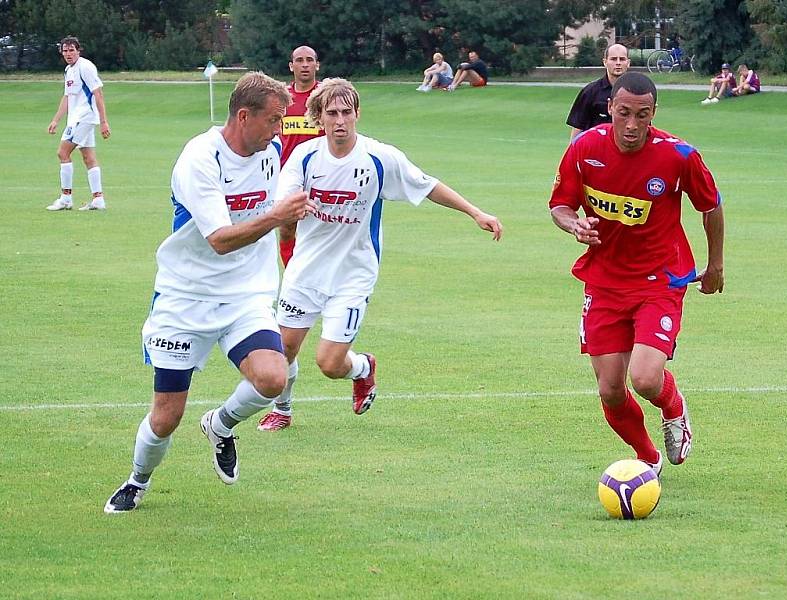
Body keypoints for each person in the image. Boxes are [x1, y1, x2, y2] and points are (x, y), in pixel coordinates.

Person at [103, 72, 316, 513]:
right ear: (244, 115)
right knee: (166, 417)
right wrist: (278, 216)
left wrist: (291, 223)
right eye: (274, 121)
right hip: (186, 296)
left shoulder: (271, 152)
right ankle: (137, 481)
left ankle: (220, 425)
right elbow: (220, 239)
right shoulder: (199, 159)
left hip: (245, 294)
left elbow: (275, 214)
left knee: (273, 376)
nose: (280, 131)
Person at [256, 78, 503, 431]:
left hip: (353, 274)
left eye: (346, 112)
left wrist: (476, 212)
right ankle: (283, 409)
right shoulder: (304, 157)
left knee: (329, 364)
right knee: (284, 351)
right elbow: (284, 202)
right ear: (320, 118)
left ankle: (363, 368)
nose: (339, 120)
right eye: (331, 113)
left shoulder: (379, 158)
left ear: (357, 114)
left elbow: (428, 185)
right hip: (306, 268)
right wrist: (290, 210)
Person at [549, 72, 725, 476]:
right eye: (624, 113)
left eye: (641, 115)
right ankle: (648, 459)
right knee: (611, 390)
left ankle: (674, 407)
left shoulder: (678, 155)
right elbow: (559, 204)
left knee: (645, 379)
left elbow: (710, 205)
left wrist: (715, 265)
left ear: (653, 114)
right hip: (604, 281)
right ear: (609, 108)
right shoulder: (583, 148)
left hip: (659, 280)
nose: (631, 125)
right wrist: (573, 224)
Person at [46, 36, 110, 211]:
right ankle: (98, 199)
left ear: (78, 50)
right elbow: (67, 97)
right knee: (89, 158)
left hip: (85, 118)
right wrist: (56, 120)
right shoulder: (68, 70)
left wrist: (103, 121)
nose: (68, 54)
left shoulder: (86, 67)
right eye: (65, 51)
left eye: (71, 50)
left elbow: (98, 94)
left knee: (62, 152)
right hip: (76, 118)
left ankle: (66, 198)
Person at [278, 45, 326, 267]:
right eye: (299, 60)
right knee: (287, 228)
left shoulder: (325, 97)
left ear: (317, 64)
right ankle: (291, 273)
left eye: (309, 60)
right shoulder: (282, 99)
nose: (304, 64)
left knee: (322, 229)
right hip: (290, 176)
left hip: (324, 175)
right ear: (291, 66)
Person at [566, 43, 630, 139]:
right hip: (595, 151)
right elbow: (578, 128)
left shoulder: (636, 93)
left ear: (628, 63)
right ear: (605, 62)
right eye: (613, 59)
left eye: (622, 59)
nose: (618, 63)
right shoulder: (590, 92)